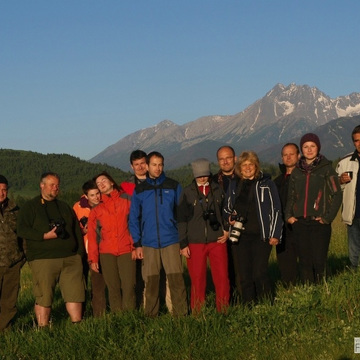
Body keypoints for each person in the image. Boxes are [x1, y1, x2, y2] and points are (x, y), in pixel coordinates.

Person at [17, 172, 85, 326]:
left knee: (75, 293)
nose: (56, 188)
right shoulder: (31, 207)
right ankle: (43, 328)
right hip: (43, 258)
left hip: (71, 258)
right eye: (52, 185)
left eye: (57, 185)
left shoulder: (64, 206)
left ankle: (77, 324)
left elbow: (76, 230)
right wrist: (43, 236)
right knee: (44, 295)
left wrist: (79, 254)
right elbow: (21, 229)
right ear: (42, 185)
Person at [129, 151, 188, 317]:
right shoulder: (140, 190)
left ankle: (181, 315)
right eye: (154, 165)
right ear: (147, 166)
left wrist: (182, 241)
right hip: (148, 243)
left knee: (176, 280)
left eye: (160, 164)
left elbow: (182, 215)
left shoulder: (173, 186)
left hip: (172, 240)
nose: (158, 168)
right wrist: (137, 244)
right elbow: (134, 218)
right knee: (152, 282)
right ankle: (151, 316)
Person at [285, 133, 342, 283]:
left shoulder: (327, 169)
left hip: (319, 223)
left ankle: (323, 293)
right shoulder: (296, 172)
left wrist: (327, 218)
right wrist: (289, 216)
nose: (309, 150)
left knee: (319, 261)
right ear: (301, 149)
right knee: (304, 262)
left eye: (312, 146)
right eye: (305, 147)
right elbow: (291, 196)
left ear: (318, 147)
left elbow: (337, 194)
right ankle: (308, 293)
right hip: (300, 223)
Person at [227, 151, 282, 304]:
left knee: (259, 272)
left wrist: (275, 233)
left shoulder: (267, 183)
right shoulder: (234, 185)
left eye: (251, 164)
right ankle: (249, 305)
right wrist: (230, 218)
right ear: (239, 167)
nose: (248, 168)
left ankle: (267, 303)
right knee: (244, 274)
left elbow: (276, 209)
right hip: (240, 236)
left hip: (261, 235)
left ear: (256, 166)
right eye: (244, 165)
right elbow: (227, 209)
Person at [121, 150, 172, 311]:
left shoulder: (160, 182)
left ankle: (165, 304)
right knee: (141, 275)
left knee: (163, 273)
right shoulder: (127, 187)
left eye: (143, 163)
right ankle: (144, 307)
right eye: (136, 164)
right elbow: (125, 215)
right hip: (137, 237)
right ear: (131, 166)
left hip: (160, 234)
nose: (140, 167)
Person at [178, 158, 230, 313]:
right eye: (199, 175)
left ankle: (223, 309)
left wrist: (226, 229)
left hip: (217, 240)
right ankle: (198, 312)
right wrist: (183, 243)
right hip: (195, 242)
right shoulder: (187, 193)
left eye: (205, 175)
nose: (202, 178)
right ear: (194, 175)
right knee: (197, 280)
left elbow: (226, 211)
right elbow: (181, 219)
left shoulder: (218, 190)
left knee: (222, 278)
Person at [87, 172, 136, 313]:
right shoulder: (97, 209)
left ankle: (129, 316)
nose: (101, 184)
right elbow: (93, 236)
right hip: (106, 252)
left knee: (128, 286)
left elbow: (134, 224)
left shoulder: (127, 200)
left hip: (126, 249)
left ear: (111, 182)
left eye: (104, 180)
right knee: (113, 287)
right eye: (98, 183)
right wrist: (93, 258)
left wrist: (135, 246)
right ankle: (118, 316)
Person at [73, 180, 106, 317]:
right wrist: (83, 230)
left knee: (98, 285)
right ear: (86, 196)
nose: (96, 197)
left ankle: (99, 314)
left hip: (100, 250)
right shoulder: (77, 208)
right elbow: (72, 229)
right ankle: (81, 314)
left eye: (98, 193)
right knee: (81, 285)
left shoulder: (105, 205)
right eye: (92, 195)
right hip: (82, 251)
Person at [212, 145, 239, 300]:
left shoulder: (243, 177)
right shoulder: (213, 181)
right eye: (221, 159)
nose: (225, 161)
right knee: (225, 268)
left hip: (243, 229)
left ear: (235, 159)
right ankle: (230, 298)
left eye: (228, 157)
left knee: (241, 266)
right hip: (221, 232)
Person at [0, 175, 25, 331]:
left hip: (13, 264)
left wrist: (22, 258)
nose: (2, 193)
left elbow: (24, 236)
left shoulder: (16, 211)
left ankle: (4, 331)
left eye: (4, 190)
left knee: (9, 301)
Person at [273, 143, 300, 286]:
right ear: (282, 157)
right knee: (285, 262)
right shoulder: (277, 182)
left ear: (298, 156)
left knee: (307, 260)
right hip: (283, 228)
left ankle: (311, 288)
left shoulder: (305, 178)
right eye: (285, 155)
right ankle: (289, 290)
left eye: (292, 154)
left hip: (301, 225)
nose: (288, 157)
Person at [336, 125, 360, 269]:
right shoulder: (344, 163)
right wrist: (340, 181)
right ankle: (353, 273)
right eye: (357, 141)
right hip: (354, 214)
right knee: (354, 249)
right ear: (353, 143)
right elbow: (333, 187)